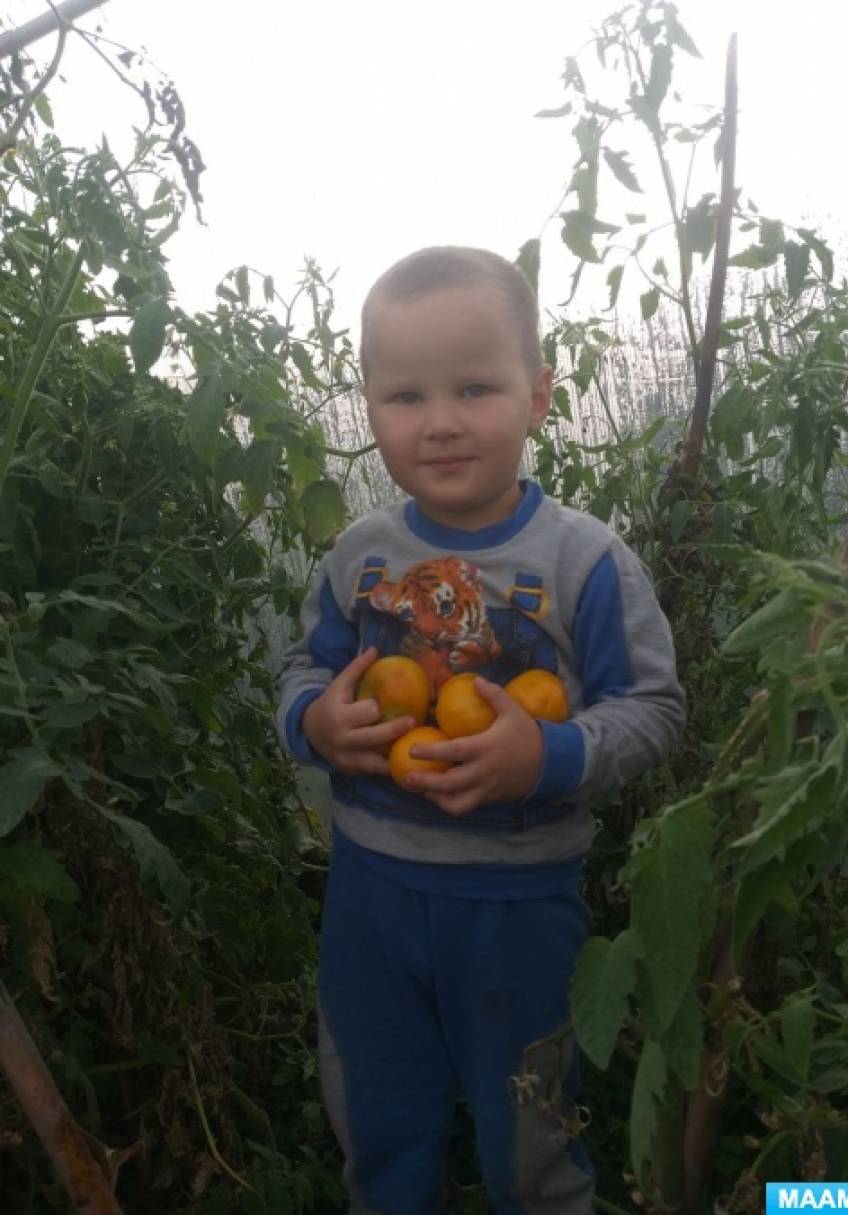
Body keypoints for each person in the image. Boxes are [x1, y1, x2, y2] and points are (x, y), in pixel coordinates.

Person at [275, 246, 685, 1215]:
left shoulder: (585, 562)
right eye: (405, 396)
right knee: (378, 1116)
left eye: (474, 388)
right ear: (369, 408)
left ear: (537, 395)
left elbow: (654, 710)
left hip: (519, 908)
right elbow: (301, 669)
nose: (441, 422)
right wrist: (316, 722)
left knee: (530, 1130)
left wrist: (545, 755)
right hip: (369, 898)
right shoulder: (359, 558)